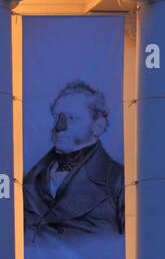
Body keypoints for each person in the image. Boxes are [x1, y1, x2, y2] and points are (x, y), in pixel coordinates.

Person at [22, 80, 125, 242]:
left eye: (71, 118)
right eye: (57, 117)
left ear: (98, 126)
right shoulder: (30, 179)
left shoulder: (119, 181)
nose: (59, 126)